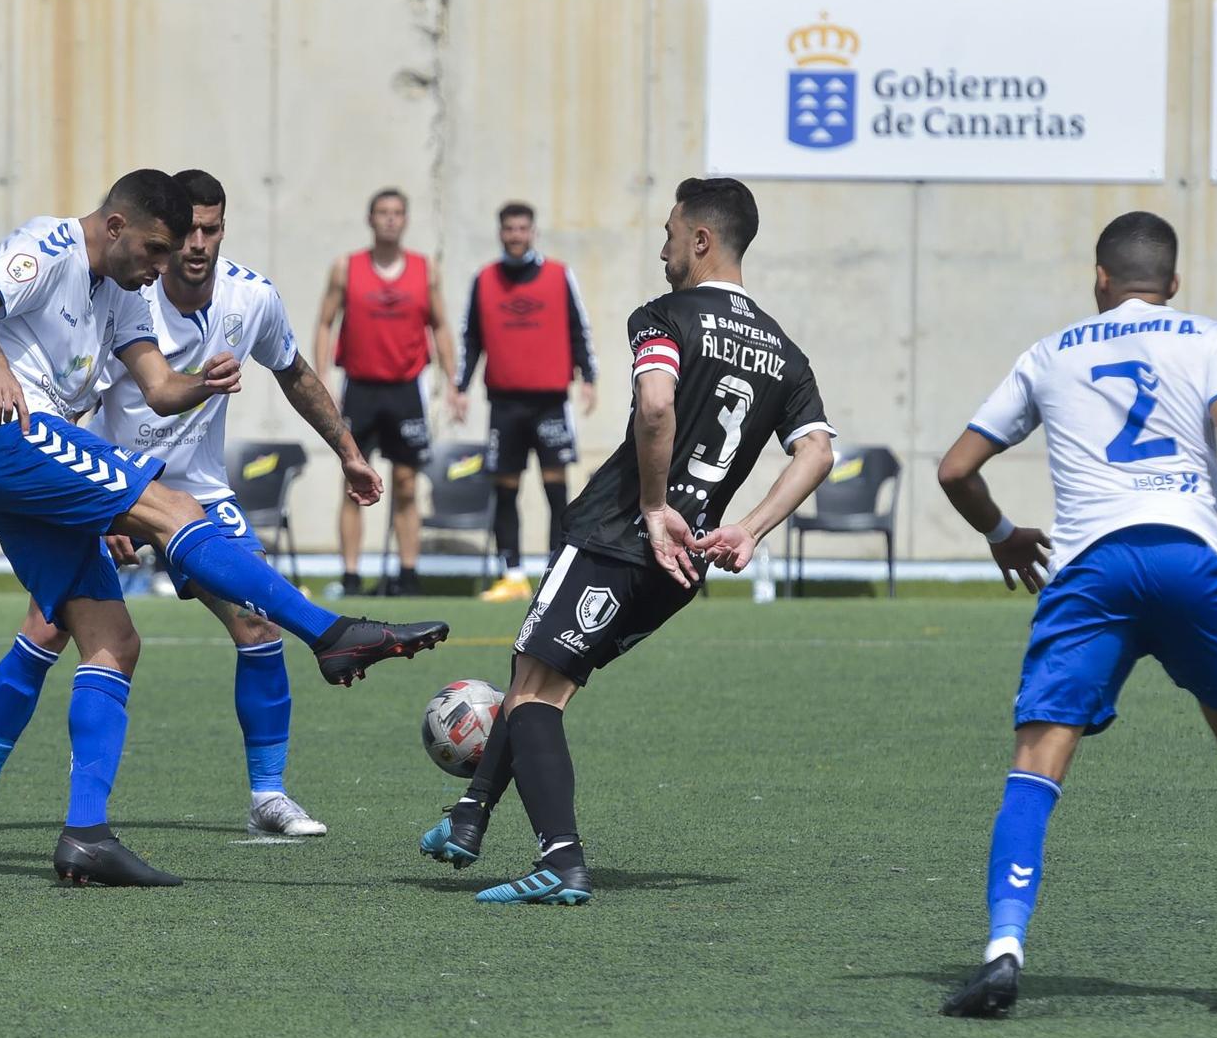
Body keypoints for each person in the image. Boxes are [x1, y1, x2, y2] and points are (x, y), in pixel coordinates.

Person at [0, 169, 448, 886]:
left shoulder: (128, 294)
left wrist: (203, 384)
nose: (162, 266)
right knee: (179, 512)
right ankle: (331, 634)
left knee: (113, 643)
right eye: (156, 249)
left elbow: (156, 385)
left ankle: (86, 833)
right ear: (116, 226)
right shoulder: (50, 244)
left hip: (37, 466)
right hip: (12, 435)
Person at [934, 210, 1217, 1018]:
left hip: (1090, 567)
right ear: (1172, 284)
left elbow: (957, 467)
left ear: (1099, 280)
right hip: (1188, 555)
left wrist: (1000, 533)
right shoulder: (1207, 337)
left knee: (1036, 762)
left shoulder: (1049, 352)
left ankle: (1002, 950)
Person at [419, 177, 835, 904]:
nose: (664, 245)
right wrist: (749, 527)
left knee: (535, 698)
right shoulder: (784, 352)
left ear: (702, 239)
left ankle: (562, 862)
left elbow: (654, 404)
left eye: (672, 230)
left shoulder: (665, 315)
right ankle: (468, 817)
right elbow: (818, 451)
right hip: (686, 560)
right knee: (537, 673)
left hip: (621, 531)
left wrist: (650, 504)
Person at [451, 201, 598, 602]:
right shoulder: (484, 279)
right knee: (506, 490)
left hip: (550, 401)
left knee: (555, 489)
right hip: (505, 404)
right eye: (509, 229)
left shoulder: (558, 274)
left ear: (533, 232)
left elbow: (578, 327)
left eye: (522, 228)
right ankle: (512, 575)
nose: (516, 235)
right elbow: (471, 337)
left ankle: (557, 572)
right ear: (501, 233)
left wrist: (590, 376)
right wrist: (460, 387)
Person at [314, 188, 458, 597]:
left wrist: (452, 382)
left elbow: (441, 324)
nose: (390, 219)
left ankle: (408, 574)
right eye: (383, 213)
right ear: (371, 219)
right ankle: (352, 576)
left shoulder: (424, 269)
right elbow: (325, 322)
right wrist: (322, 375)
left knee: (408, 484)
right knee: (353, 480)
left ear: (406, 219)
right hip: (360, 389)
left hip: (405, 391)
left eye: (397, 213)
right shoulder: (346, 268)